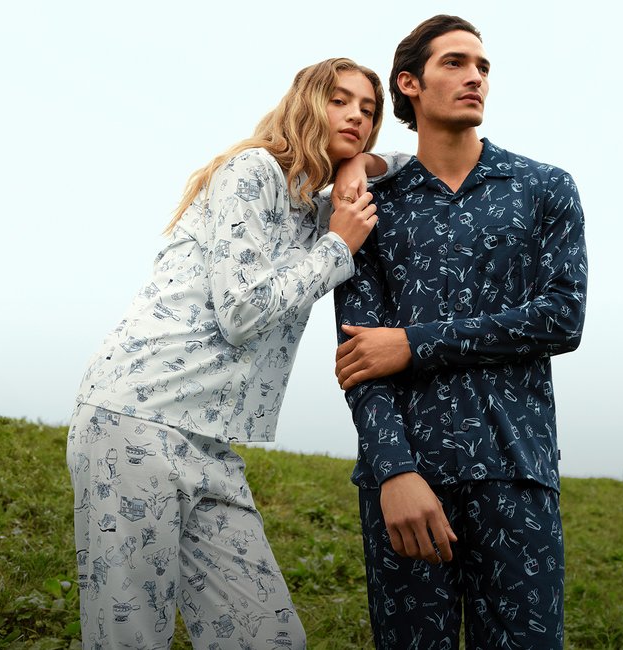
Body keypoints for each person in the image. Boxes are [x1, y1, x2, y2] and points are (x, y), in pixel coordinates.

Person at [69, 57, 408, 648]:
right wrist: (338, 248)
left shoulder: (318, 209)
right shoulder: (253, 172)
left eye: (368, 109)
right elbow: (242, 311)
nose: (356, 113)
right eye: (340, 99)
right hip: (134, 422)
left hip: (209, 443)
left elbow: (410, 166)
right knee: (130, 636)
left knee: (269, 637)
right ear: (306, 102)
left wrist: (357, 161)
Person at [332, 15, 589, 649]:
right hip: (406, 485)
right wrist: (393, 473)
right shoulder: (370, 206)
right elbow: (360, 356)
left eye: (483, 66)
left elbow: (562, 316)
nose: (475, 76)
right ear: (409, 84)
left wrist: (414, 343)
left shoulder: (543, 188)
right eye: (455, 63)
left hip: (516, 472)